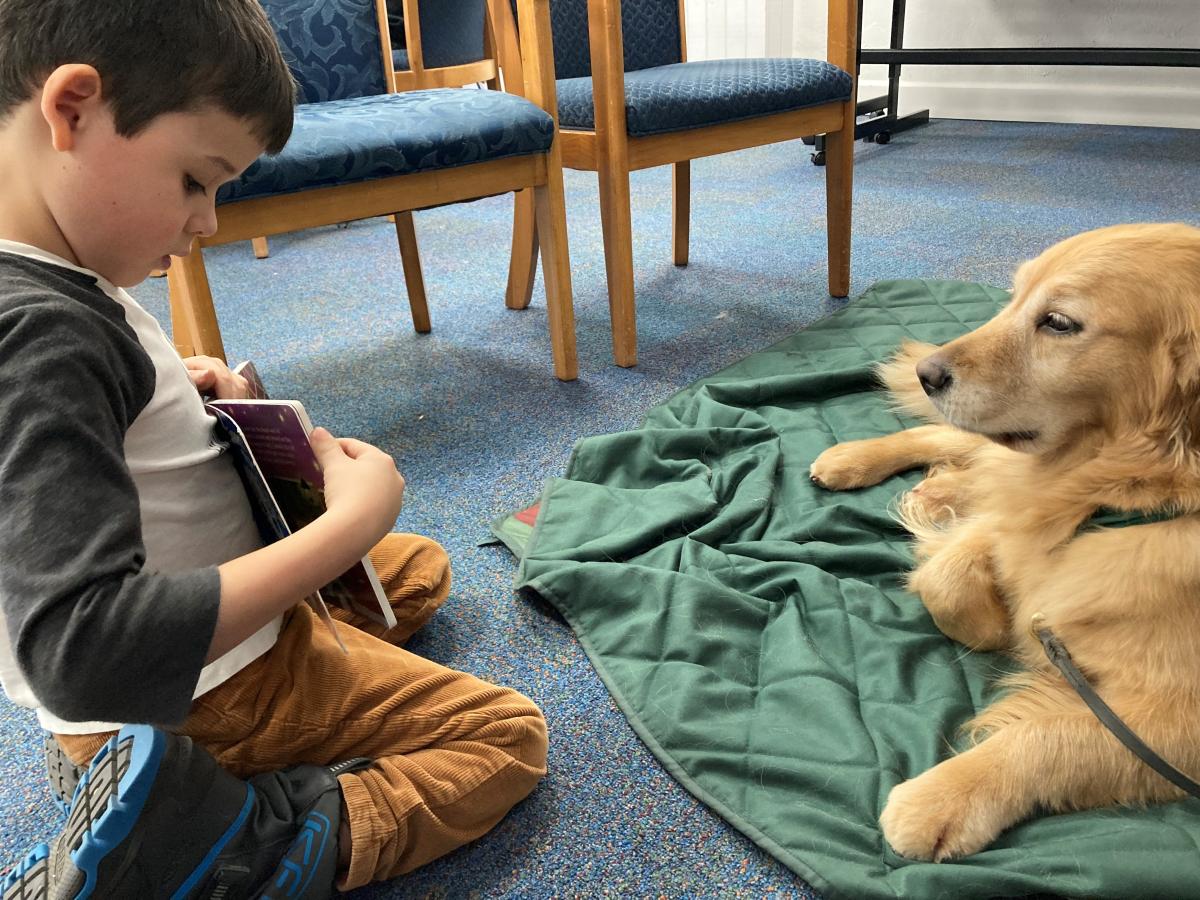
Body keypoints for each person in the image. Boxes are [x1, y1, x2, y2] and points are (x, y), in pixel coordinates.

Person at [0, 1, 548, 896]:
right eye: (194, 180)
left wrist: (178, 385)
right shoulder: (42, 340)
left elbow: (62, 447)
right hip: (197, 688)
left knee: (415, 571)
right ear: (73, 110)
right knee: (504, 738)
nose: (207, 221)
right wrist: (343, 527)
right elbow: (84, 647)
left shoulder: (48, 276)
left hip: (164, 672)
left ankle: (139, 775)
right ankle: (230, 835)